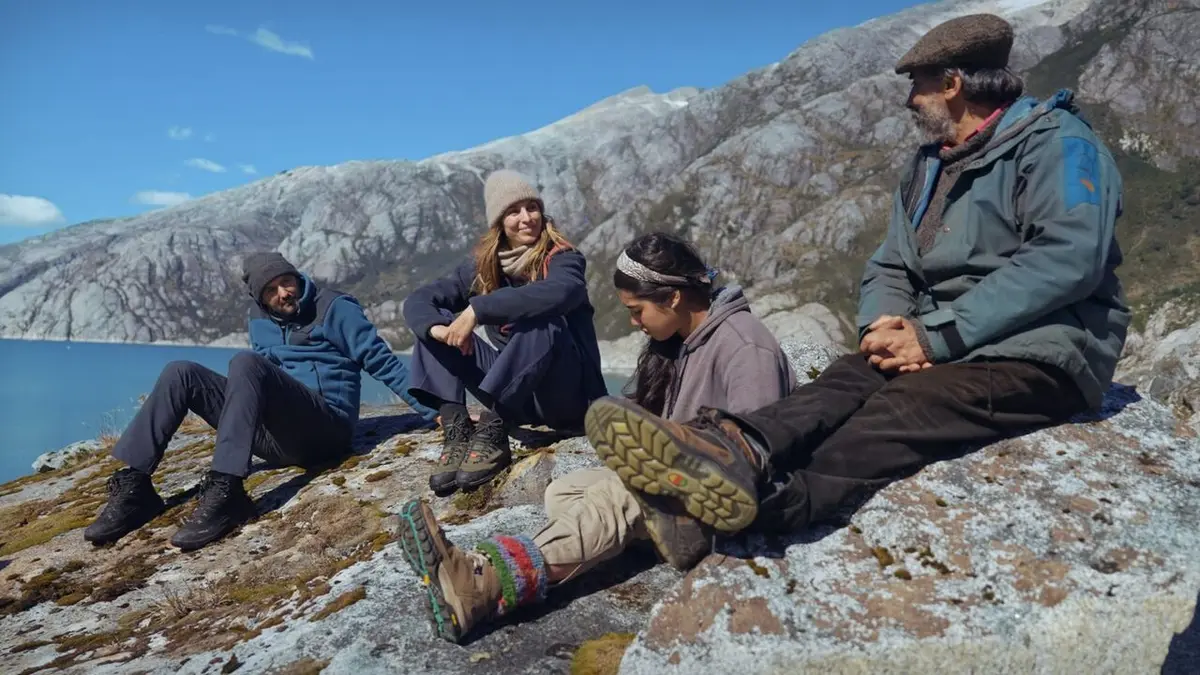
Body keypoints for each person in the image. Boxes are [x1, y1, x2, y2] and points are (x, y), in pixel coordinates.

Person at [580, 13, 1129, 543]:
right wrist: (885, 328)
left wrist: (935, 337)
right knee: (843, 380)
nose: (910, 100)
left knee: (901, 408)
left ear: (953, 84)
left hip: (1040, 352)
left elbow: (1067, 257)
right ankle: (735, 449)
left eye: (918, 85)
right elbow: (891, 263)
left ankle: (772, 507)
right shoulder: (930, 165)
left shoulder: (1058, 143)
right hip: (953, 339)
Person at [396, 232, 796, 643]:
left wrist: (662, 478)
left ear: (673, 298)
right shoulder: (680, 341)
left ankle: (485, 582)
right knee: (565, 491)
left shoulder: (745, 347)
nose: (634, 322)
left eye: (637, 310)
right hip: (679, 480)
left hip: (717, 500)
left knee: (615, 498)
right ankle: (598, 539)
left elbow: (754, 460)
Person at [83, 252, 437, 551]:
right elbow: (261, 382)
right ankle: (135, 487)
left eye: (287, 282)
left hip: (326, 430)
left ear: (297, 277)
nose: (283, 293)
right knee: (181, 372)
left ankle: (227, 489)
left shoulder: (334, 308)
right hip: (277, 438)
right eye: (271, 290)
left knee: (245, 362)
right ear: (260, 298)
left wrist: (439, 411)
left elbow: (382, 361)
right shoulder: (259, 319)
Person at [402, 169, 608, 496]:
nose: (527, 218)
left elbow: (561, 292)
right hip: (518, 397)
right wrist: (439, 330)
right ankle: (456, 429)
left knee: (543, 320)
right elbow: (420, 299)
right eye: (513, 211)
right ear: (499, 222)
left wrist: (478, 310)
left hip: (568, 398)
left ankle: (494, 429)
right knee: (434, 324)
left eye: (532, 207)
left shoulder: (563, 258)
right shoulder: (484, 266)